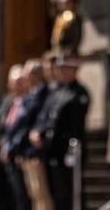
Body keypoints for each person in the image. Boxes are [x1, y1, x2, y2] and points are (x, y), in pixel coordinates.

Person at [32, 55, 90, 210]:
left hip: (68, 150)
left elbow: (75, 127)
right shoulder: (56, 91)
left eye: (65, 69)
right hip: (52, 151)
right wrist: (38, 132)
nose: (61, 72)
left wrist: (71, 153)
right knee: (55, 195)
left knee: (71, 194)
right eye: (60, 69)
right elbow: (45, 116)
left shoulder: (80, 93)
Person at [2, 60, 50, 210]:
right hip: (23, 152)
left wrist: (17, 147)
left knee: (40, 195)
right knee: (33, 195)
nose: (24, 78)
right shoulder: (30, 96)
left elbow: (29, 124)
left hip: (33, 152)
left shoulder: (41, 95)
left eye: (26, 74)